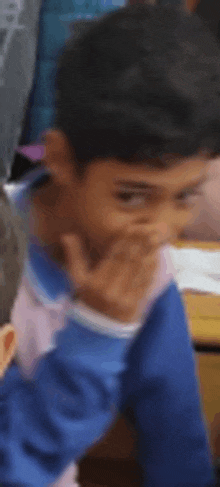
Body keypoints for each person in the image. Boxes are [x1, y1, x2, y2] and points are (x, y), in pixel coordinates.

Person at [2, 3, 220, 485]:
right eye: (131, 195)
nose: (160, 229)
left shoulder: (144, 268)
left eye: (185, 196)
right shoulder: (7, 262)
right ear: (59, 157)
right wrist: (97, 332)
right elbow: (13, 467)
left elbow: (175, 435)